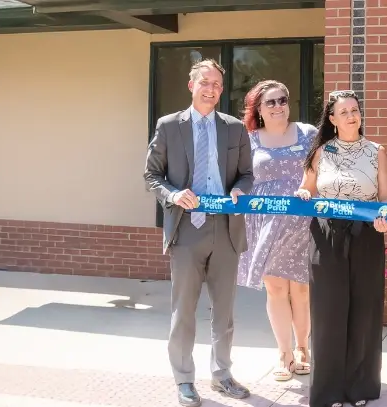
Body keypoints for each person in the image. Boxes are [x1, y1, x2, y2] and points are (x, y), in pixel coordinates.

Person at [143, 58, 253, 407]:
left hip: (225, 228)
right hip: (187, 229)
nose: (211, 89)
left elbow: (247, 175)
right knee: (184, 311)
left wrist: (240, 191)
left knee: (224, 312)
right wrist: (174, 195)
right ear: (192, 85)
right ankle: (184, 379)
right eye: (204, 82)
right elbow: (151, 176)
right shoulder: (169, 125)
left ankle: (222, 374)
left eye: (217, 84)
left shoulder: (235, 128)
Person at [294, 90, 387, 407]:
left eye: (356, 110)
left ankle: (359, 388)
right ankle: (329, 391)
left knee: (365, 311)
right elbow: (305, 189)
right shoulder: (320, 152)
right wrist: (303, 195)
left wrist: (385, 221)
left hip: (366, 236)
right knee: (328, 312)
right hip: (326, 236)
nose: (352, 115)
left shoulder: (377, 151)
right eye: (345, 111)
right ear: (333, 119)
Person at [235, 79, 318, 382]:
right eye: (270, 102)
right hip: (266, 222)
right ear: (258, 107)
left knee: (301, 288)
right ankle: (283, 353)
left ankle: (303, 348)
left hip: (302, 220)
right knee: (276, 288)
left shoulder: (308, 133)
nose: (278, 106)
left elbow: (319, 171)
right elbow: (240, 176)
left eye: (282, 100)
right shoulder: (249, 139)